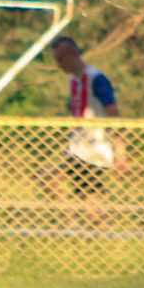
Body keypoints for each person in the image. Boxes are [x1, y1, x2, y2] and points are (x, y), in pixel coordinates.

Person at [49, 35, 125, 198]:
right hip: (77, 148)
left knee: (91, 200)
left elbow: (113, 111)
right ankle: (71, 213)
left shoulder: (95, 78)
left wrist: (120, 148)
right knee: (49, 179)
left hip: (94, 149)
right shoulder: (74, 80)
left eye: (60, 59)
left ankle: (77, 214)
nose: (59, 64)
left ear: (72, 55)